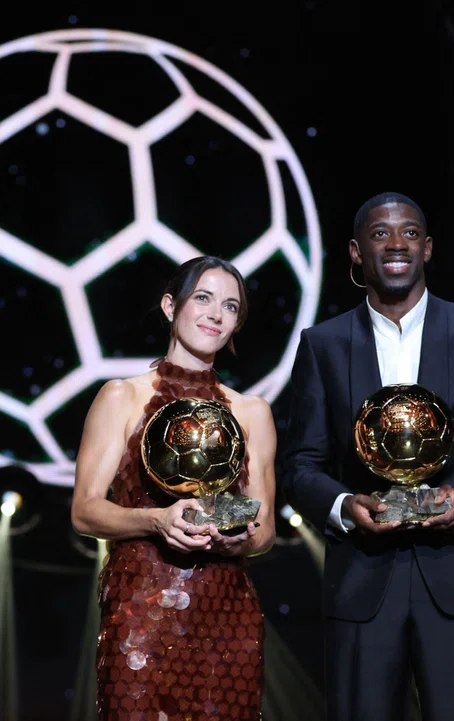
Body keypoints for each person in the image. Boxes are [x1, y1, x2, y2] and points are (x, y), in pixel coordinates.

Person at [282, 191, 454, 721]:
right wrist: (344, 507)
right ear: (356, 252)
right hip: (362, 584)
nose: (396, 242)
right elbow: (299, 466)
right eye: (380, 233)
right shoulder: (324, 344)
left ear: (428, 248)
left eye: (409, 232)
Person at [71, 256, 277, 721]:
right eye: (202, 298)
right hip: (141, 614)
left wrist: (239, 538)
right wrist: (155, 519)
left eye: (230, 306)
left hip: (228, 617)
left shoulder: (252, 413)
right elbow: (84, 511)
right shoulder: (122, 396)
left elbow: (264, 530)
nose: (215, 314)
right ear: (170, 306)